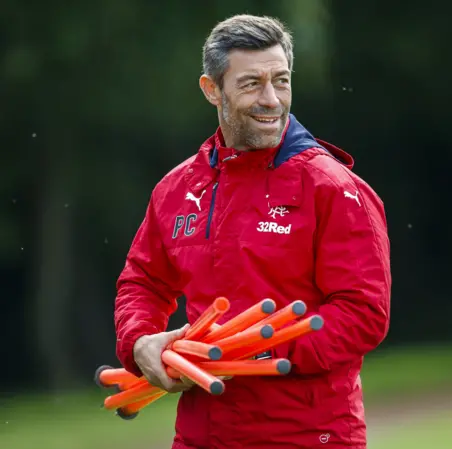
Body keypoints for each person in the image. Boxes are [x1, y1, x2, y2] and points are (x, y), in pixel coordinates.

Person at [114, 14, 391, 449]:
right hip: (202, 436)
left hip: (307, 436)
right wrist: (141, 342)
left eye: (281, 81)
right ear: (211, 90)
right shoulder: (176, 189)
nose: (272, 100)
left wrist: (258, 352)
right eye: (250, 84)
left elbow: (363, 313)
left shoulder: (334, 188)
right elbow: (143, 281)